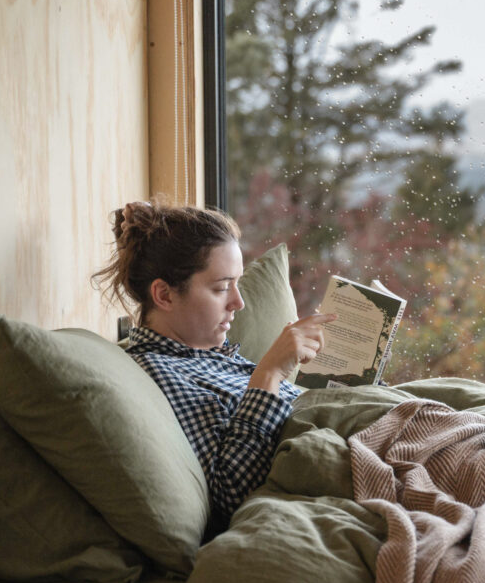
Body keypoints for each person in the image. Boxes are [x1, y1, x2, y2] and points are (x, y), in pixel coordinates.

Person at [92, 199, 335, 533]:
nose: (239, 302)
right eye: (222, 287)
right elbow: (233, 494)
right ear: (164, 295)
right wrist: (269, 374)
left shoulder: (214, 355)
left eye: (237, 284)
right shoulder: (159, 373)